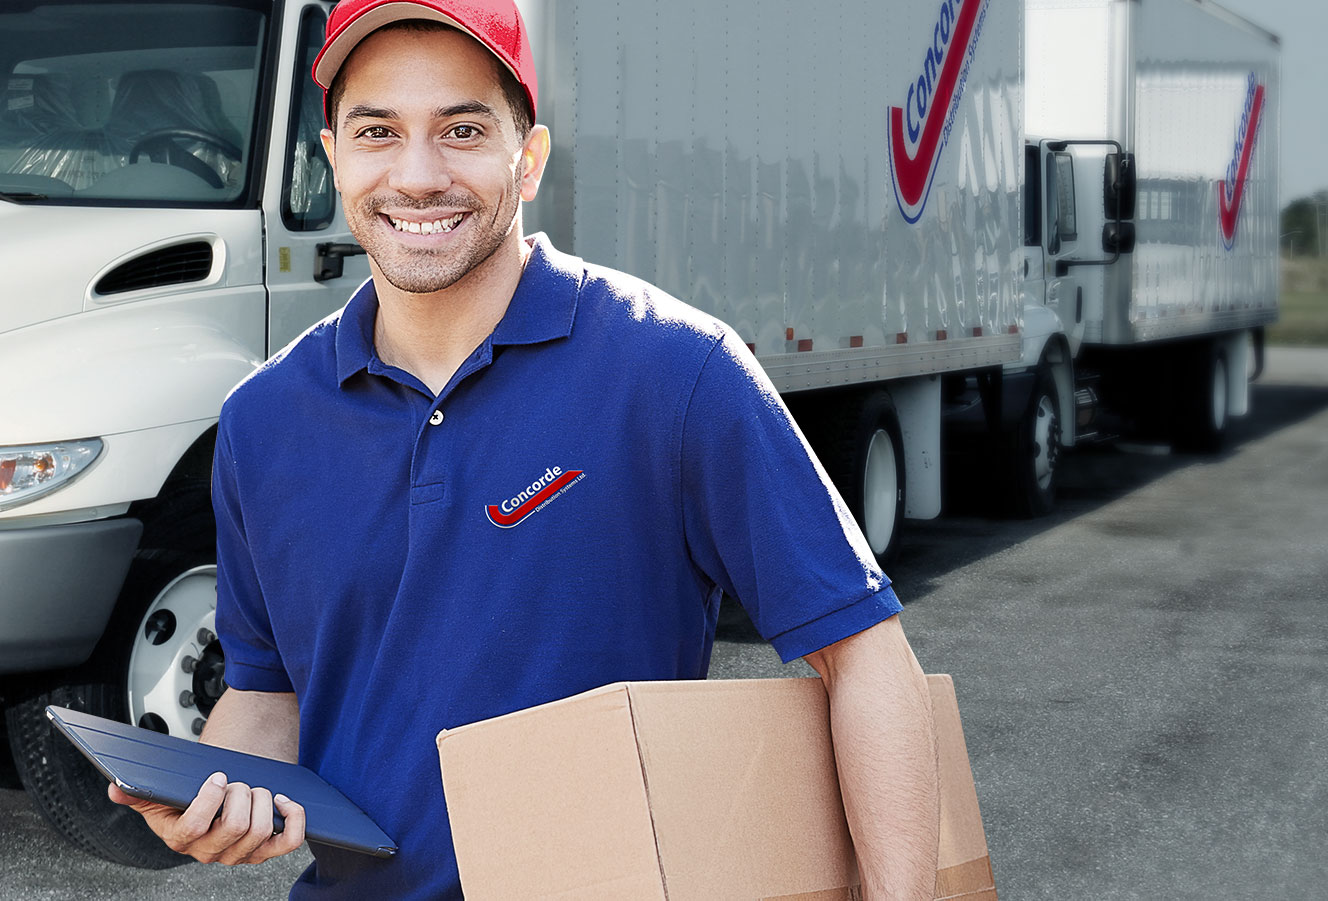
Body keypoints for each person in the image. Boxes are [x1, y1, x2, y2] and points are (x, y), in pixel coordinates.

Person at [106, 0, 941, 897]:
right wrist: (212, 796)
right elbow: (271, 697)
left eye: (462, 129)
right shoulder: (264, 422)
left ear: (528, 158)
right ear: (333, 158)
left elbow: (863, 657)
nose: (417, 174)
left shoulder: (672, 372)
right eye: (377, 131)